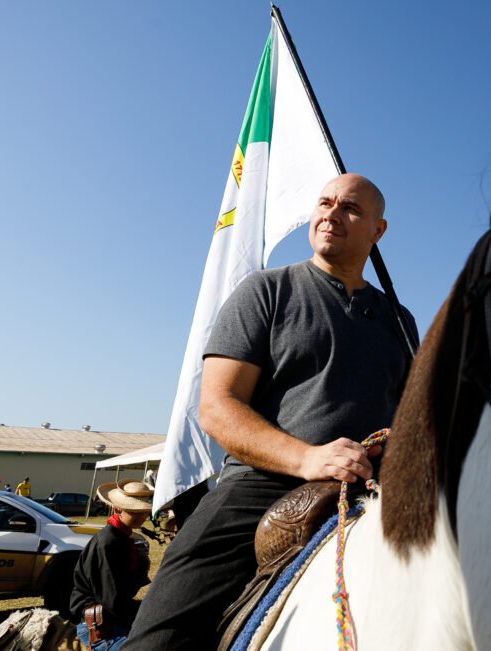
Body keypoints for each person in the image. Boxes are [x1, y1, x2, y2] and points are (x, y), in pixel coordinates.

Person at [125, 174, 416, 649]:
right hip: (262, 484)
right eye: (325, 203)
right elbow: (217, 408)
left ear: (377, 231)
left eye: (350, 209)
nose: (331, 214)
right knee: (159, 636)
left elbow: (410, 419)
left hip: (372, 487)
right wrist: (307, 459)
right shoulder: (266, 291)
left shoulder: (399, 321)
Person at [71, 480, 153, 650]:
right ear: (118, 509)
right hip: (100, 625)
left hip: (113, 616)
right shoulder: (108, 542)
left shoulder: (122, 538)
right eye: (134, 511)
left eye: (145, 511)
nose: (142, 516)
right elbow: (112, 600)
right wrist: (147, 611)